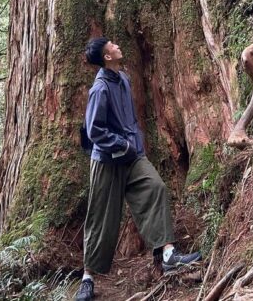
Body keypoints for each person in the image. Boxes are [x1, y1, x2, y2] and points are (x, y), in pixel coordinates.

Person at [75, 37, 201, 301]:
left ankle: (168, 254)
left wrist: (135, 145)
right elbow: (94, 130)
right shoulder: (99, 89)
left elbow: (129, 118)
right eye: (111, 45)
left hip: (132, 157)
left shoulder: (124, 78)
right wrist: (121, 143)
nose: (117, 44)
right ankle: (87, 279)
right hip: (108, 161)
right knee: (101, 219)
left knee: (155, 188)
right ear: (106, 57)